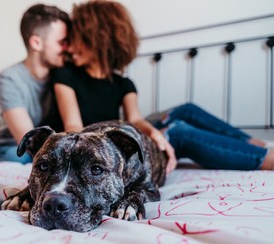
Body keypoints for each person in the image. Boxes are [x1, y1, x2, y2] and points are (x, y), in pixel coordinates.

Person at [51, 0, 274, 171]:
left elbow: (135, 120)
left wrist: (154, 134)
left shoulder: (123, 83)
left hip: (129, 131)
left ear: (96, 38)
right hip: (100, 143)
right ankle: (265, 159)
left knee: (184, 111)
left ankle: (256, 143)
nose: (69, 48)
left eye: (75, 39)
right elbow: (73, 126)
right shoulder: (66, 75)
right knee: (177, 131)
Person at [0, 4, 70, 164]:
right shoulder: (10, 78)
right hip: (4, 146)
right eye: (62, 42)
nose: (68, 48)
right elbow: (27, 139)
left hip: (28, 151)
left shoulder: (66, 76)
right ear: (36, 43)